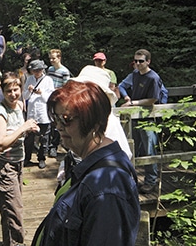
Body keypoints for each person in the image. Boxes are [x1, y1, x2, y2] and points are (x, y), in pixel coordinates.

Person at [32, 81, 140, 246]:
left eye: (66, 120)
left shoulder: (106, 187)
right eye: (55, 119)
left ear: (94, 123)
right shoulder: (91, 167)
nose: (58, 127)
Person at [0, 72, 40, 246]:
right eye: (8, 90)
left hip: (17, 162)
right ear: (2, 91)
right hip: (3, 165)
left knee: (12, 209)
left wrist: (27, 129)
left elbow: (15, 133)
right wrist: (23, 128)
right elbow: (1, 143)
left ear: (21, 89)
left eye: (16, 89)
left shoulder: (18, 106)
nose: (13, 94)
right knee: (13, 211)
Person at [118, 49, 165, 194]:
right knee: (132, 149)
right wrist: (127, 98)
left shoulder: (153, 78)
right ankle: (132, 180)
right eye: (136, 61)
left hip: (149, 118)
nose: (137, 64)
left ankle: (151, 181)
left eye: (141, 61)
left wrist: (133, 103)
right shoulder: (135, 74)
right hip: (135, 116)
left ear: (148, 62)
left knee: (149, 149)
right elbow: (122, 86)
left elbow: (153, 99)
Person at [22, 59, 55, 169]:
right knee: (29, 138)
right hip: (31, 112)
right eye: (35, 70)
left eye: (39, 70)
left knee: (44, 138)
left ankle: (41, 158)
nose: (37, 72)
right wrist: (30, 90)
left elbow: (50, 97)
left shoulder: (48, 80)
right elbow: (25, 96)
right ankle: (27, 158)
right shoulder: (29, 79)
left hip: (43, 113)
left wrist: (41, 93)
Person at [47, 49, 71, 158]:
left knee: (58, 122)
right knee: (51, 123)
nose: (51, 60)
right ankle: (50, 146)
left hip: (60, 100)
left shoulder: (65, 71)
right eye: (50, 58)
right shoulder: (50, 69)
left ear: (59, 58)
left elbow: (66, 88)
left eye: (54, 58)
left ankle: (55, 145)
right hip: (49, 98)